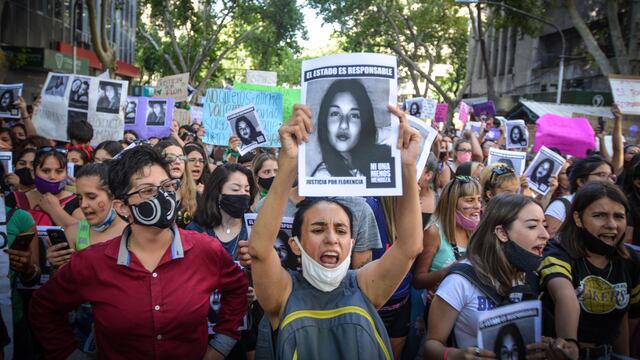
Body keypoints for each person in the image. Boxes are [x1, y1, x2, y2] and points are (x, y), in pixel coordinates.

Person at [29, 144, 248, 359]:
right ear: (122, 207)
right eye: (148, 191)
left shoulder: (205, 250)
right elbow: (43, 308)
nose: (163, 197)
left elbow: (238, 290)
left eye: (167, 186)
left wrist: (221, 346)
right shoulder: (92, 263)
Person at [249, 104, 422, 359]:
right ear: (295, 244)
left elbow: (409, 247)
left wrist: (407, 168)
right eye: (318, 229)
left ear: (352, 242)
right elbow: (260, 251)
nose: (331, 238)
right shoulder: (282, 295)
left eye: (341, 230)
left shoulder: (365, 288)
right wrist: (287, 165)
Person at [423, 193, 575, 359]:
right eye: (532, 226)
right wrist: (455, 355)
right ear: (502, 233)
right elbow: (431, 345)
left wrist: (547, 346)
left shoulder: (530, 274)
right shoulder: (459, 281)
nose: (545, 234)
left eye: (544, 225)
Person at [539, 181, 639, 359]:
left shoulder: (632, 261)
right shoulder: (558, 251)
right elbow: (564, 295)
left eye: (619, 216)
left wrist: (625, 356)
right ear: (578, 218)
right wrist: (568, 343)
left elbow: (624, 318)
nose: (611, 225)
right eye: (599, 215)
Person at [45, 163, 128, 353]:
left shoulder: (130, 234)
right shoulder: (74, 232)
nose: (83, 205)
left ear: (113, 196)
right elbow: (58, 292)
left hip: (120, 327)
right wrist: (56, 266)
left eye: (91, 197)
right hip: (79, 326)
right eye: (80, 197)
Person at [186, 163, 257, 357]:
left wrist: (257, 292)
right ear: (218, 192)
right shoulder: (195, 231)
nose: (243, 194)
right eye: (235, 189)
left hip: (247, 331)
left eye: (247, 190)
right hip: (203, 330)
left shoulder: (255, 229)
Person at [311, 79, 393, 180]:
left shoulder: (386, 157)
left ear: (364, 123)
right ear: (324, 120)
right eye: (335, 114)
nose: (344, 125)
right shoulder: (321, 177)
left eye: (354, 115)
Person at [412, 176, 482, 293]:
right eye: (470, 200)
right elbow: (417, 281)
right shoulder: (433, 232)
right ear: (452, 203)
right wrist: (449, 271)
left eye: (479, 200)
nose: (477, 206)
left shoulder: (476, 230)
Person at [6, 147, 83, 227]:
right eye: (45, 171)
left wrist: (55, 211)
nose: (52, 176)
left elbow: (84, 236)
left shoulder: (78, 202)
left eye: (59, 171)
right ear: (33, 173)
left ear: (66, 173)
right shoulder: (14, 199)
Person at [545, 155, 615, 237]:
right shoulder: (561, 206)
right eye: (602, 175)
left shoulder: (614, 206)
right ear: (581, 181)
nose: (609, 181)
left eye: (611, 176)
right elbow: (550, 242)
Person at [155, 140, 198, 229]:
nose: (178, 162)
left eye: (181, 158)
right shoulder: (148, 193)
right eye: (170, 157)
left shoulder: (195, 195)